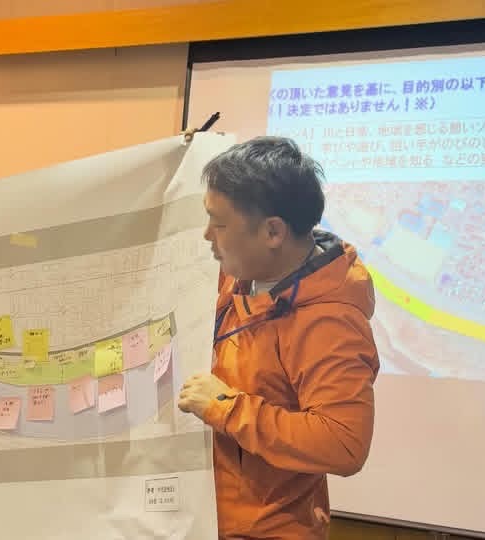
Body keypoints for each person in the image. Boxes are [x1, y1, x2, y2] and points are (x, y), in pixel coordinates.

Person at [177, 136, 380, 539]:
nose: (206, 236)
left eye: (219, 224)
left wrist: (224, 407)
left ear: (273, 231)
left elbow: (344, 443)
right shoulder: (243, 272)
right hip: (202, 514)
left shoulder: (329, 322)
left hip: (265, 529)